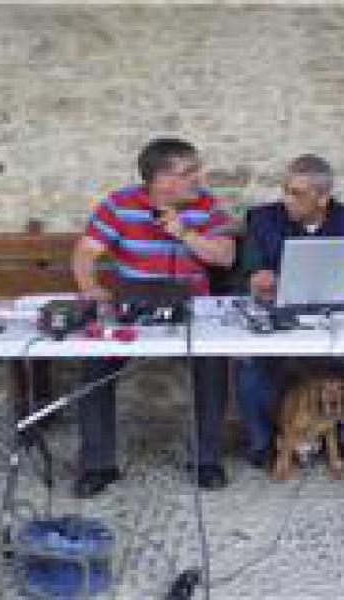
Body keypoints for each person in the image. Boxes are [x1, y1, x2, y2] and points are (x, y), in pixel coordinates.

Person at [71, 137, 235, 496]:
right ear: (161, 180)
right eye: (188, 171)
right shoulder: (119, 205)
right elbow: (85, 253)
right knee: (94, 365)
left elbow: (225, 257)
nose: (198, 177)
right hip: (134, 305)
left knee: (213, 363)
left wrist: (186, 233)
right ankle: (97, 465)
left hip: (193, 306)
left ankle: (207, 460)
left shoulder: (206, 204)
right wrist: (90, 287)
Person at [235, 154, 344, 468]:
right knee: (250, 369)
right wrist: (256, 279)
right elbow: (247, 271)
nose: (287, 199)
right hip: (280, 317)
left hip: (338, 320)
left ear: (322, 197)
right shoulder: (262, 219)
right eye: (286, 190)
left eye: (296, 193)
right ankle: (264, 445)